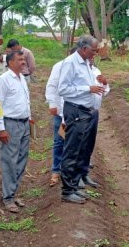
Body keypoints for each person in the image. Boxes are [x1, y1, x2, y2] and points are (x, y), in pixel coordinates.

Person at [58, 35, 105, 204]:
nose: (95, 53)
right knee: (72, 150)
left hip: (85, 112)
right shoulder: (70, 63)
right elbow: (62, 89)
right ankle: (67, 190)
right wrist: (87, 89)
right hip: (75, 111)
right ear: (84, 48)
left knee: (81, 149)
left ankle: (75, 185)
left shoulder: (86, 63)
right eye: (93, 50)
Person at [0, 50, 32, 213]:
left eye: (24, 59)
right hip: (10, 124)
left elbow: (25, 101)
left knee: (21, 159)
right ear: (10, 62)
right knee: (10, 161)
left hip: (24, 124)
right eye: (20, 59)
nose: (23, 62)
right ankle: (8, 197)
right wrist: (1, 129)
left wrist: (29, 118)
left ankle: (13, 192)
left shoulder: (22, 78)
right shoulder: (3, 80)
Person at [44, 47, 78, 187]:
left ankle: (73, 170)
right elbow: (52, 86)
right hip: (62, 110)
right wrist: (52, 103)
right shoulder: (59, 66)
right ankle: (56, 170)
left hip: (78, 111)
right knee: (60, 140)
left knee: (76, 141)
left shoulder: (85, 68)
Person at [78, 55, 109, 189]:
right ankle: (76, 176)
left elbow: (104, 92)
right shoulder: (78, 72)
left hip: (94, 111)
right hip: (80, 112)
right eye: (89, 56)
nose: (91, 59)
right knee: (79, 145)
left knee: (89, 144)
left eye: (93, 56)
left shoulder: (96, 71)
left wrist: (105, 83)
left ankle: (84, 173)